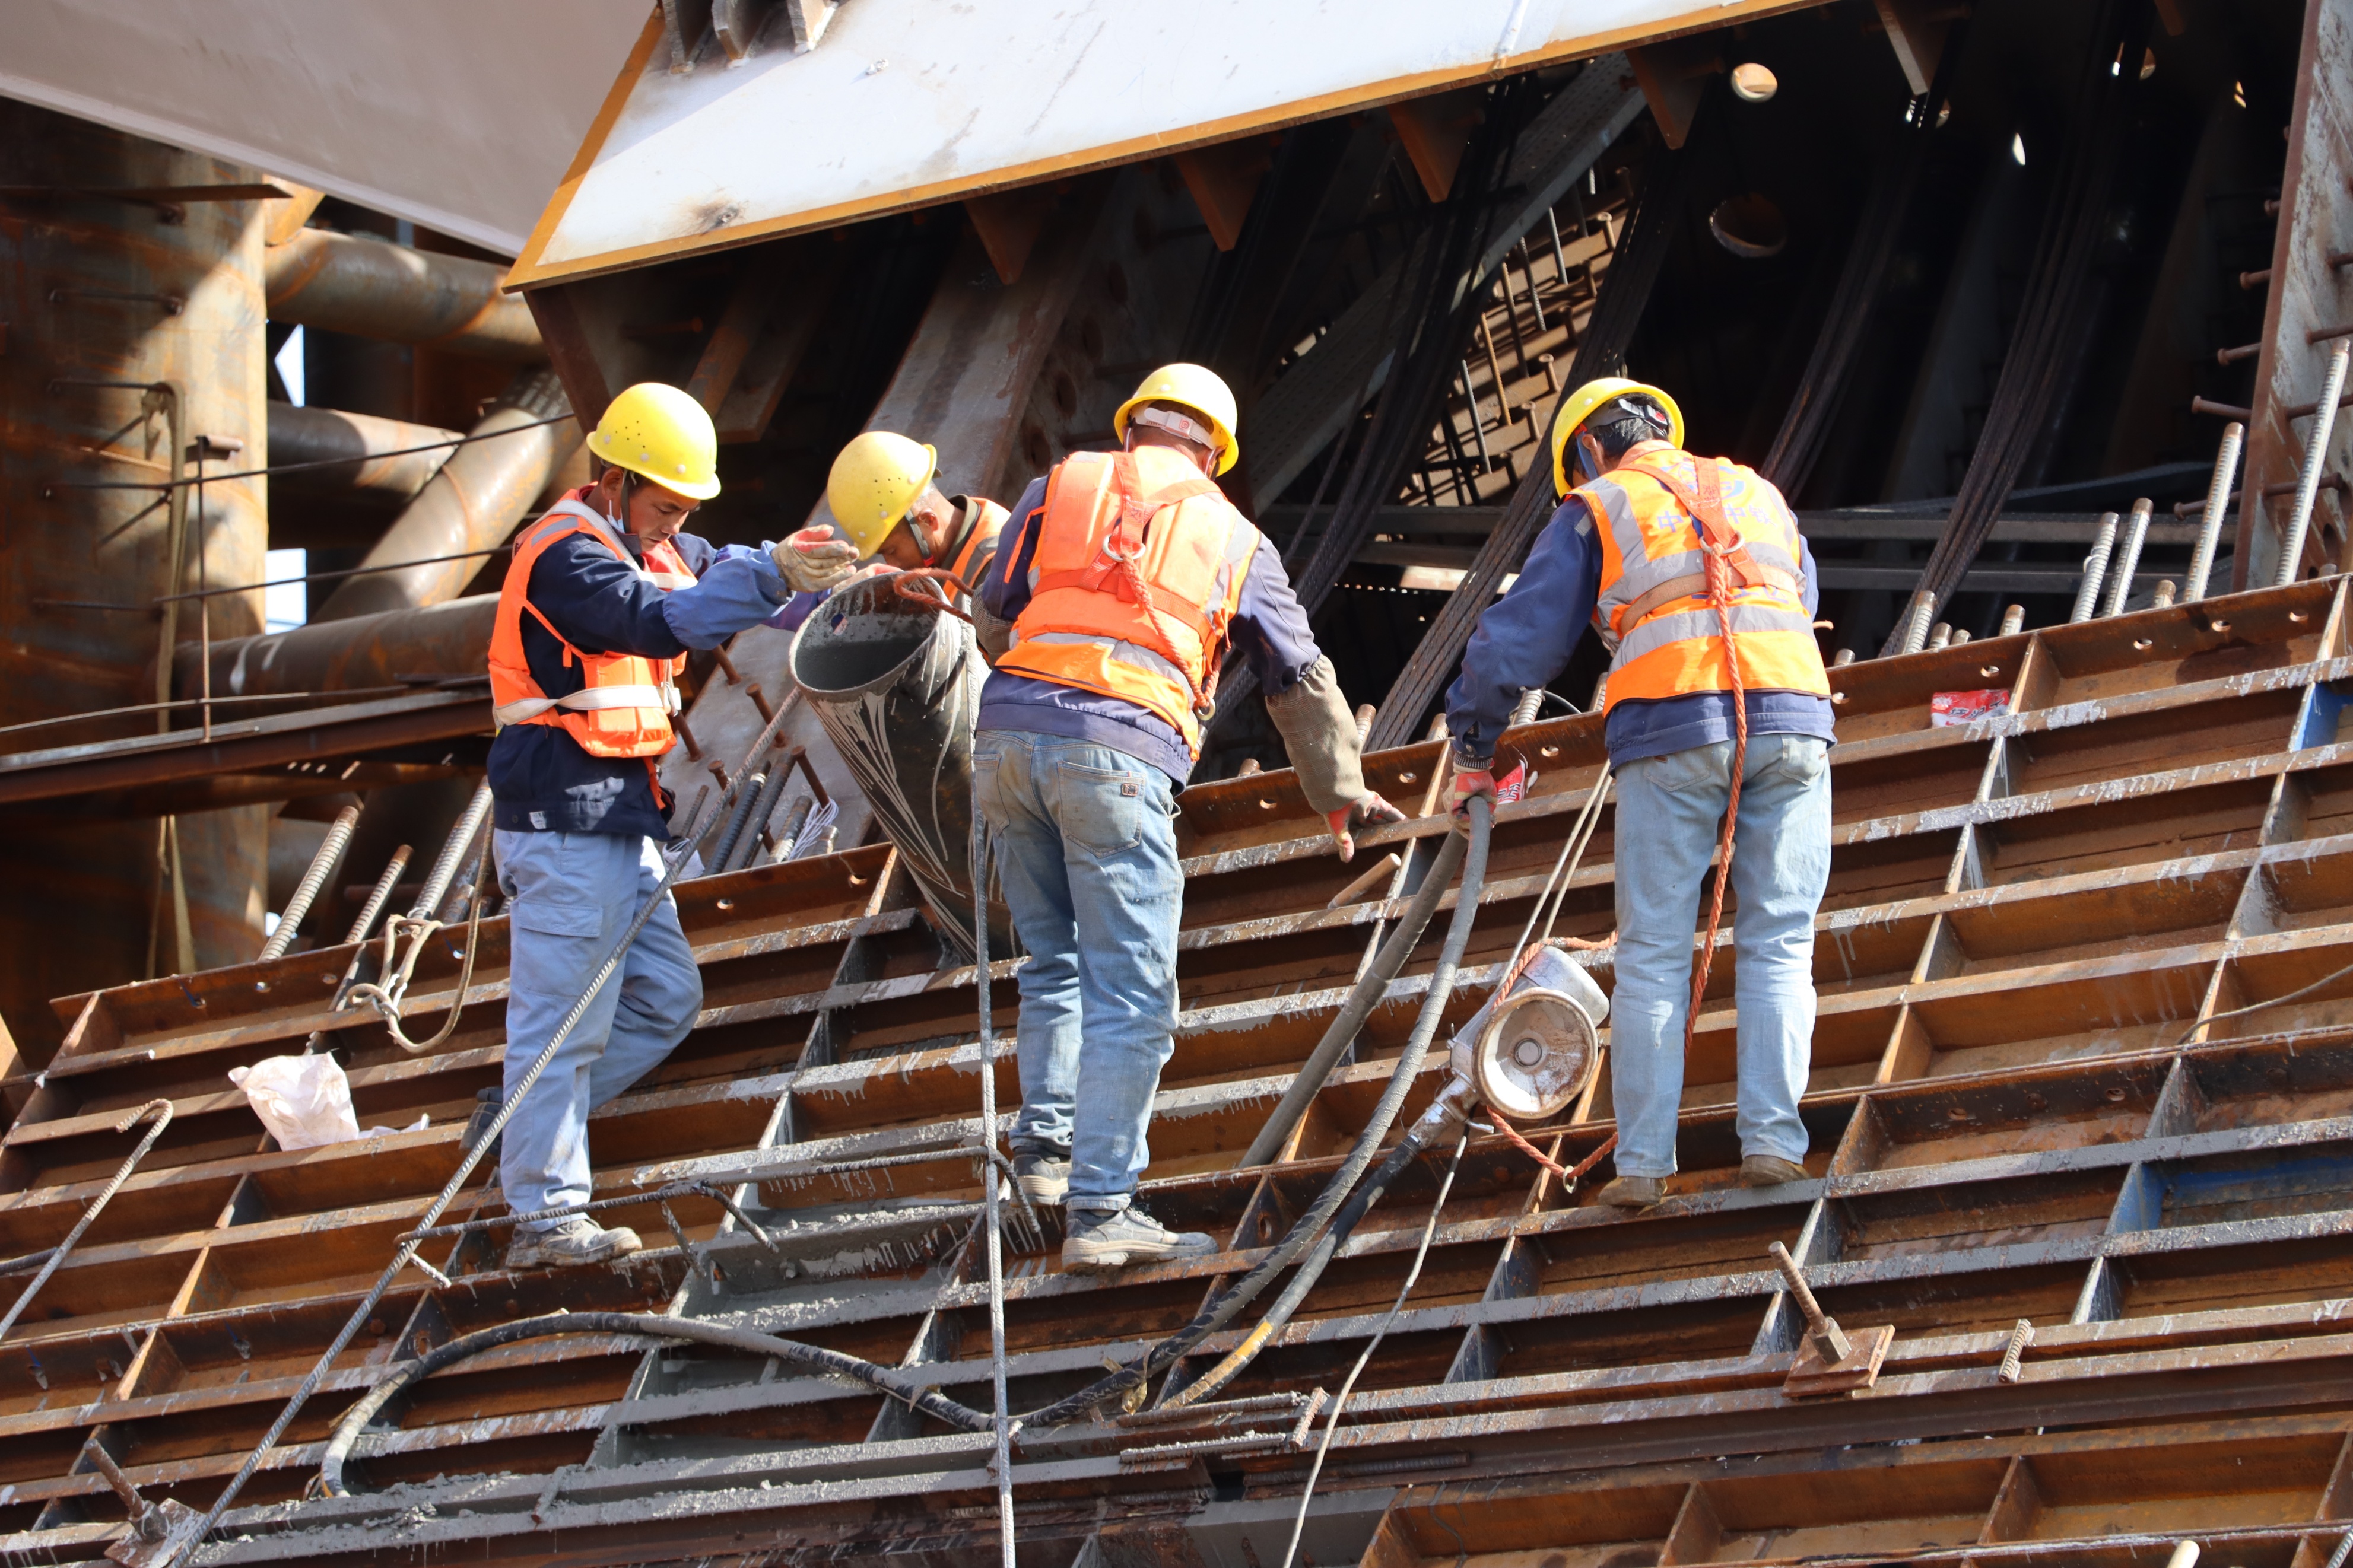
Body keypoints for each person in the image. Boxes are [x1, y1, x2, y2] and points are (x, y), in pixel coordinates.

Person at [974, 363, 1403, 1272]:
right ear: (1215, 451)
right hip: (1116, 750)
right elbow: (1297, 676)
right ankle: (1103, 1208)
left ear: (1134, 428)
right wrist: (1337, 792)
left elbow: (996, 603)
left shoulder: (1060, 485)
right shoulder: (1232, 534)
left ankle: (1045, 1162)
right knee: (1132, 991)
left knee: (1053, 963)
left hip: (1006, 737)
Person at [485, 381, 858, 1268]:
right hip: (565, 813)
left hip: (618, 819)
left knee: (664, 999)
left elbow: (732, 572)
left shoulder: (648, 541)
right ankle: (542, 1214)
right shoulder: (566, 557)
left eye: (686, 507)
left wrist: (837, 588)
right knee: (562, 1025)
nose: (675, 522)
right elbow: (661, 625)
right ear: (611, 479)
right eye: (664, 504)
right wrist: (772, 572)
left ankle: (520, 1130)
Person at [1441, 378, 1833, 1209]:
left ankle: (1645, 1166)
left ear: (1587, 448)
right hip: (1793, 715)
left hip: (1673, 724)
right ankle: (1772, 1144)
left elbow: (1520, 640)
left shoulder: (1597, 503)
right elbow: (1799, 594)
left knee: (1654, 951)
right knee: (1779, 942)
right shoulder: (1756, 489)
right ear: (1662, 429)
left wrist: (1472, 745)